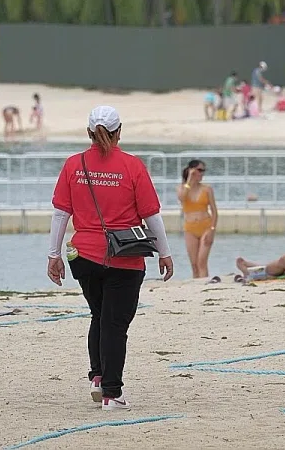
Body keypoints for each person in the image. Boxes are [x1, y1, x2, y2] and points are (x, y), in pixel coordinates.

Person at [47, 106, 174, 411]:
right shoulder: (132, 166)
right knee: (115, 324)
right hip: (124, 257)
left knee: (99, 315)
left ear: (88, 133)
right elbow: (151, 215)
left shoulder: (73, 164)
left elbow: (60, 214)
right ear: (119, 132)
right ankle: (111, 393)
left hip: (83, 256)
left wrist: (53, 255)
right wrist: (165, 253)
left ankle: (97, 376)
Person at [178, 160, 218, 279]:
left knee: (201, 262)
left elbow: (214, 211)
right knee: (194, 264)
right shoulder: (182, 188)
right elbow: (182, 198)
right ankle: (196, 285)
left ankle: (204, 284)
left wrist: (212, 229)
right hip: (190, 228)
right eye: (199, 170)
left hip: (206, 226)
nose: (202, 173)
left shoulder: (207, 189)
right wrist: (189, 180)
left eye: (203, 171)